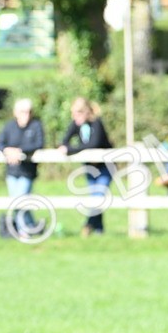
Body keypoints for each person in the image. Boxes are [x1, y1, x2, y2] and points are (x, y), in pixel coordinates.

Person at [57, 97, 113, 237]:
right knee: (96, 197)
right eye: (74, 113)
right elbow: (64, 141)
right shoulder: (76, 124)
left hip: (105, 167)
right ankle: (99, 230)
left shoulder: (97, 124)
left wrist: (71, 149)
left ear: (87, 112)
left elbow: (93, 144)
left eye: (79, 113)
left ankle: (88, 225)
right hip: (90, 168)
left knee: (98, 196)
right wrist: (67, 147)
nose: (76, 116)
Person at [0, 98, 45, 238]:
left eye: (29, 112)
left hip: (27, 171)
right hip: (12, 171)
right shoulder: (9, 126)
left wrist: (19, 150)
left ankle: (23, 230)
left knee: (20, 200)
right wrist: (7, 150)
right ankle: (32, 226)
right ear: (15, 112)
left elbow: (39, 144)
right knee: (17, 201)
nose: (26, 115)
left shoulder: (36, 125)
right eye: (23, 112)